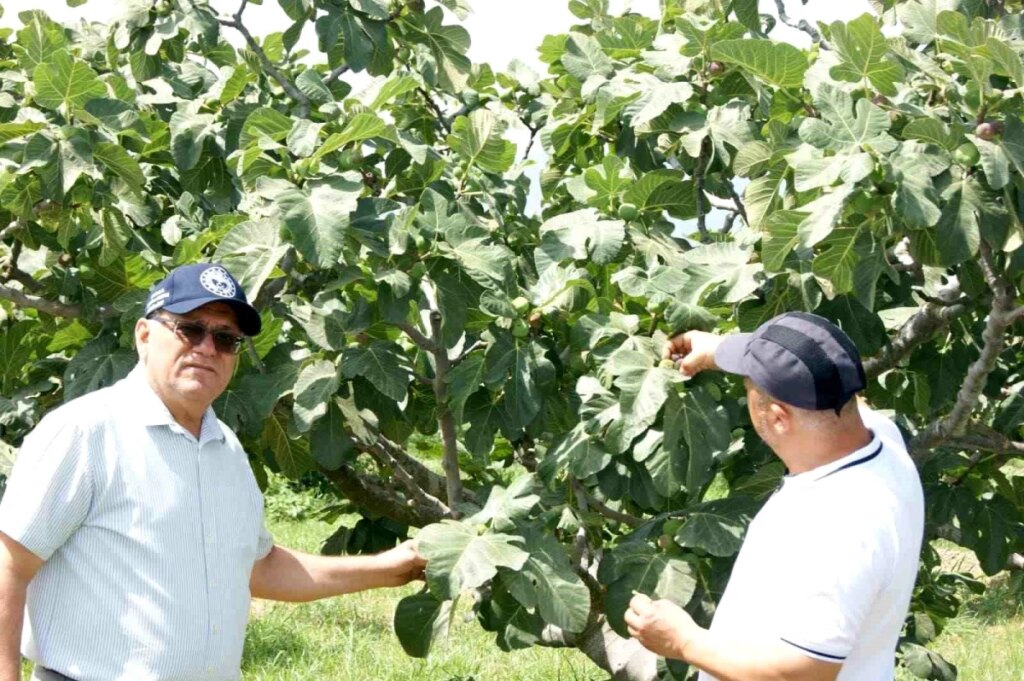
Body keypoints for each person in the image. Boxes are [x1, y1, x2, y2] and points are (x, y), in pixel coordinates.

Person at [0, 263, 426, 681]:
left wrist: (390, 568)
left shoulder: (225, 448)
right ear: (144, 335)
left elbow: (257, 568)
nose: (207, 348)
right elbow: (8, 566)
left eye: (225, 339)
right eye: (190, 328)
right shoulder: (85, 432)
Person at [625, 312, 924, 681]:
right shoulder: (881, 438)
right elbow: (822, 367)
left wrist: (683, 641)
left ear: (779, 418)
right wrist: (719, 350)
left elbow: (803, 674)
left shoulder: (841, 526)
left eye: (750, 388)